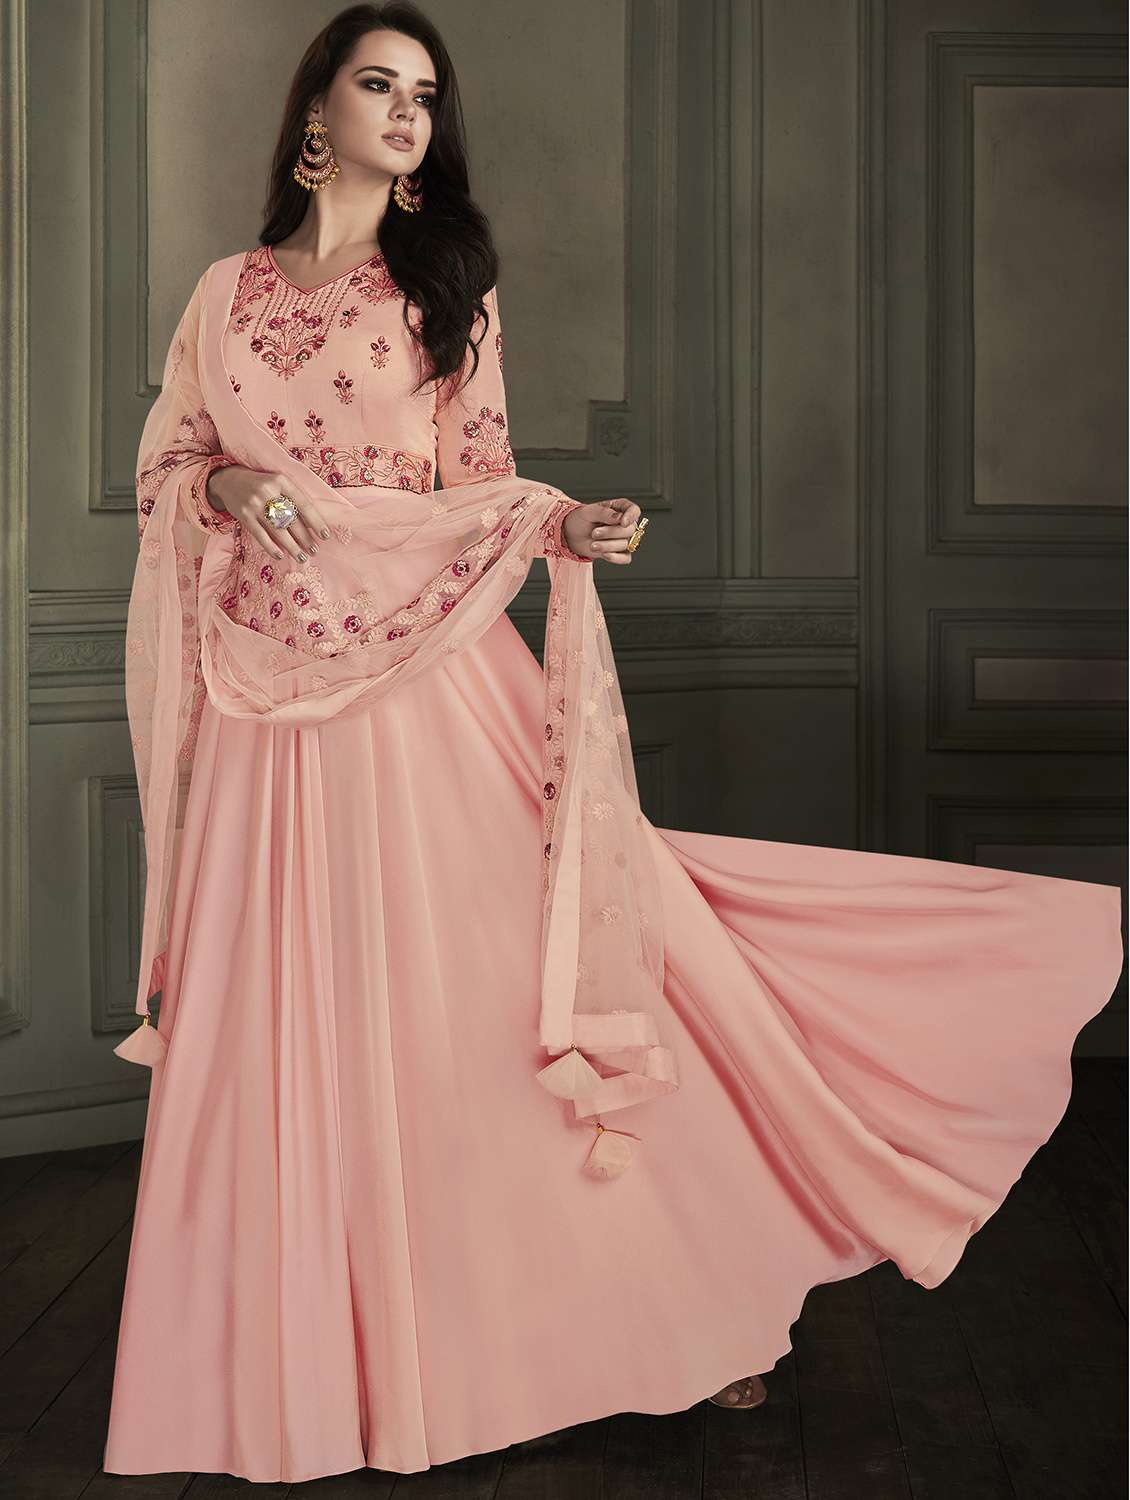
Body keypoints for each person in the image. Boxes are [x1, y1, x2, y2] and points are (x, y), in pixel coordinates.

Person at [101, 2, 1124, 1484]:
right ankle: (320, 1363)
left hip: (424, 685)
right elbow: (169, 459)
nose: (407, 113)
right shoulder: (224, 293)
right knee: (298, 1018)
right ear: (316, 111)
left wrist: (568, 524)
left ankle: (664, 1302)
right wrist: (225, 492)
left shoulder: (444, 288)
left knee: (490, 998)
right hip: (267, 701)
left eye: (425, 95)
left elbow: (482, 476)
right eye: (379, 85)